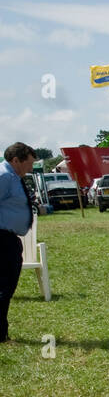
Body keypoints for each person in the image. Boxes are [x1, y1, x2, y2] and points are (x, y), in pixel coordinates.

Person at [0, 141, 37, 343]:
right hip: (2, 239)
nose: (31, 168)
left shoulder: (12, 176)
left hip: (8, 238)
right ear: (16, 160)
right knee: (4, 287)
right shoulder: (5, 177)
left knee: (6, 287)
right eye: (29, 164)